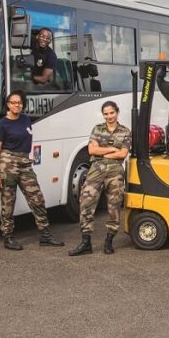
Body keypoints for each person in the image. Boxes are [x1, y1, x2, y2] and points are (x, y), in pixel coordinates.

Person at [0, 91, 64, 250]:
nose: (17, 105)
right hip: (8, 163)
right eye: (13, 102)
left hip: (24, 162)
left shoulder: (25, 119)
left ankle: (45, 234)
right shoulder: (2, 124)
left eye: (19, 103)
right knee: (8, 201)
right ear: (8, 105)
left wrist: (26, 157)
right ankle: (8, 236)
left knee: (37, 198)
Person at [68, 101, 132, 256]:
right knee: (86, 201)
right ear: (103, 115)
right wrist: (111, 149)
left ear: (117, 112)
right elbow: (91, 150)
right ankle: (85, 242)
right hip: (96, 169)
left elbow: (123, 154)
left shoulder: (125, 131)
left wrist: (100, 151)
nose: (109, 116)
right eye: (106, 114)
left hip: (115, 171)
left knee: (114, 206)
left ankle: (109, 240)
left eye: (112, 113)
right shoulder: (97, 129)